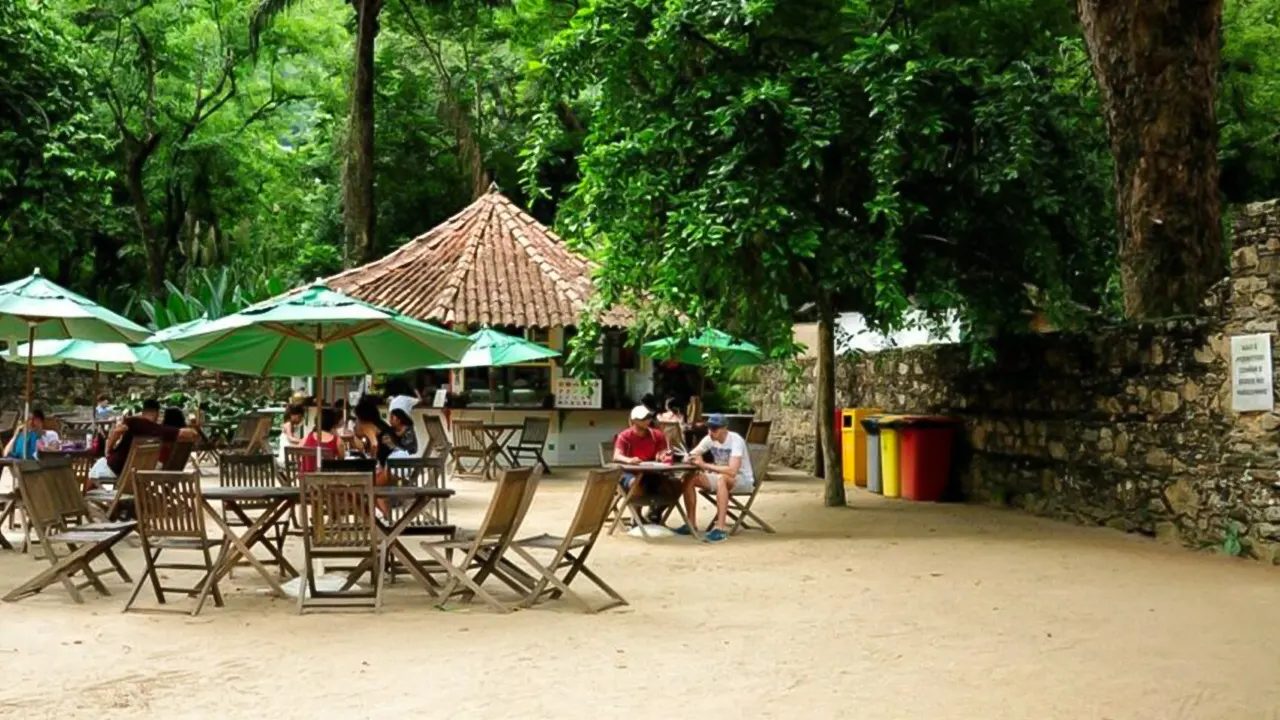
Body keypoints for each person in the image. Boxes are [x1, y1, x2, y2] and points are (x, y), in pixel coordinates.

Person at [676, 414, 754, 543]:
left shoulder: (736, 440)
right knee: (690, 477)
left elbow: (733, 471)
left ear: (725, 428)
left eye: (715, 429)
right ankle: (691, 523)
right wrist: (690, 457)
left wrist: (705, 465)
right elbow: (693, 454)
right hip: (719, 476)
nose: (711, 432)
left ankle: (720, 529)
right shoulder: (709, 439)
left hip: (742, 480)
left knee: (722, 478)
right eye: (709, 428)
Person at [94, 399, 199, 481]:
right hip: (142, 471)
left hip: (122, 470)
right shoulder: (159, 430)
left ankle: (84, 503)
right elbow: (193, 434)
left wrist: (108, 449)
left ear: (143, 411)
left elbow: (117, 431)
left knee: (99, 467)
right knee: (101, 466)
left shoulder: (135, 423)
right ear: (157, 413)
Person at [613, 404, 672, 525]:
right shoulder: (625, 436)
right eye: (643, 418)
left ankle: (655, 512)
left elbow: (662, 451)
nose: (647, 421)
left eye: (648, 417)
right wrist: (628, 460)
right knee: (635, 483)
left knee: (675, 485)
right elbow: (616, 456)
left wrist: (662, 455)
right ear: (634, 420)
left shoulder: (657, 435)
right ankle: (637, 517)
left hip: (652, 472)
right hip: (629, 473)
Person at [300, 408, 346, 475]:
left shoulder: (307, 437)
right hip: (328, 482)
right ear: (333, 423)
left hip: (306, 481)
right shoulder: (337, 441)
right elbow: (342, 460)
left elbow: (298, 454)